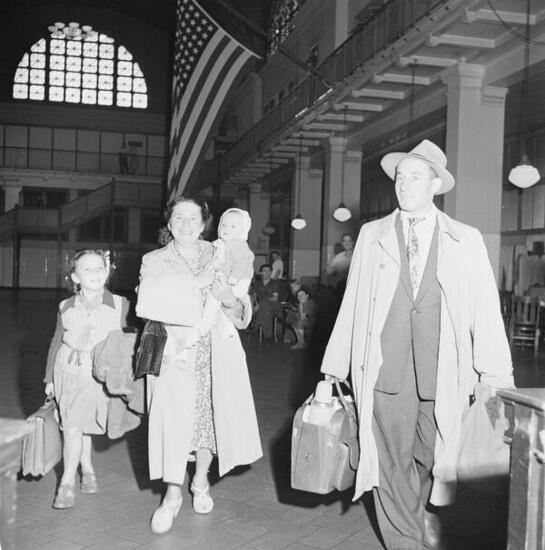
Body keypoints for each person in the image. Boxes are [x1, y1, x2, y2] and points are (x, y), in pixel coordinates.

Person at [320, 140, 514, 550]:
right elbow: (353, 301)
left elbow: (485, 307)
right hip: (384, 368)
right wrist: (335, 364)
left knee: (433, 454)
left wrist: (495, 374)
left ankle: (420, 509)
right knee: (390, 460)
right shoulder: (372, 234)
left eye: (414, 177)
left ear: (435, 184)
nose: (404, 185)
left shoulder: (465, 238)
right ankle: (405, 539)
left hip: (443, 371)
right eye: (399, 177)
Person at [136, 196, 262, 535]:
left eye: (193, 218)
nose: (186, 224)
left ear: (205, 223)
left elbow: (243, 310)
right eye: (179, 217)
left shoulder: (221, 250)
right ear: (169, 223)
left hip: (215, 353)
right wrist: (198, 281)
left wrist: (229, 299)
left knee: (209, 421)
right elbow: (148, 303)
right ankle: (172, 494)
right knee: (173, 424)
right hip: (174, 354)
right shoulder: (154, 260)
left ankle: (201, 480)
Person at [43, 249, 130, 509]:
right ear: (75, 277)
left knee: (83, 424)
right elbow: (57, 340)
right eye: (87, 268)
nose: (95, 273)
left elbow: (127, 342)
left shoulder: (120, 304)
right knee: (72, 426)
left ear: (107, 272)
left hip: (96, 374)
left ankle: (84, 472)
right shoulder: (65, 306)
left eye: (100, 267)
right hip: (67, 371)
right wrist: (49, 378)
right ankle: (70, 482)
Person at [185, 208, 254, 347]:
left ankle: (202, 329)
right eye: (224, 225)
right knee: (213, 302)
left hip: (237, 281)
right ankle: (224, 330)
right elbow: (205, 258)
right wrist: (201, 266)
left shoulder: (239, 245)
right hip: (223, 278)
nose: (226, 228)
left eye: (233, 226)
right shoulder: (216, 244)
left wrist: (234, 278)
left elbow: (242, 262)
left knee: (212, 301)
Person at [253, 263, 282, 344]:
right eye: (264, 271)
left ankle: (255, 326)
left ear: (271, 272)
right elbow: (254, 296)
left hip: (274, 306)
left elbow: (275, 298)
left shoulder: (274, 283)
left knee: (266, 302)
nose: (267, 273)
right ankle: (268, 336)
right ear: (261, 272)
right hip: (264, 310)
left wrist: (259, 304)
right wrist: (254, 304)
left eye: (269, 271)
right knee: (266, 311)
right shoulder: (257, 284)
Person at [288, 285, 316, 350]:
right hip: (306, 321)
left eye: (302, 295)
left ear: (307, 296)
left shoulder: (310, 303)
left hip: (313, 322)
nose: (300, 297)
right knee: (294, 323)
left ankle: (302, 342)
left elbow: (303, 317)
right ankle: (299, 342)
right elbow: (299, 315)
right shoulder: (302, 303)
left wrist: (300, 305)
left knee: (299, 323)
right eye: (298, 296)